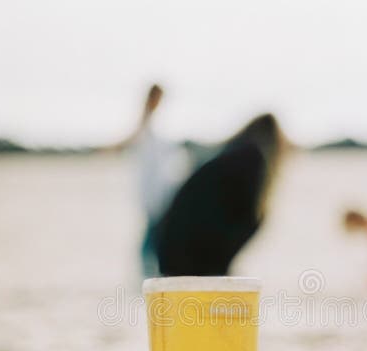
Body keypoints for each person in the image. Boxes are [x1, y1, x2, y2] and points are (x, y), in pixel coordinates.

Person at [153, 113, 283, 276]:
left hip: (169, 249)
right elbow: (248, 218)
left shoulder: (230, 156)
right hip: (190, 257)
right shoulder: (252, 159)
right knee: (258, 215)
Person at [103, 84, 189, 278]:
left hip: (158, 187)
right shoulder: (146, 123)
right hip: (152, 189)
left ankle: (150, 272)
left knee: (154, 232)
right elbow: (131, 139)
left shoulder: (153, 124)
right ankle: (149, 273)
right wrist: (111, 148)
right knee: (153, 233)